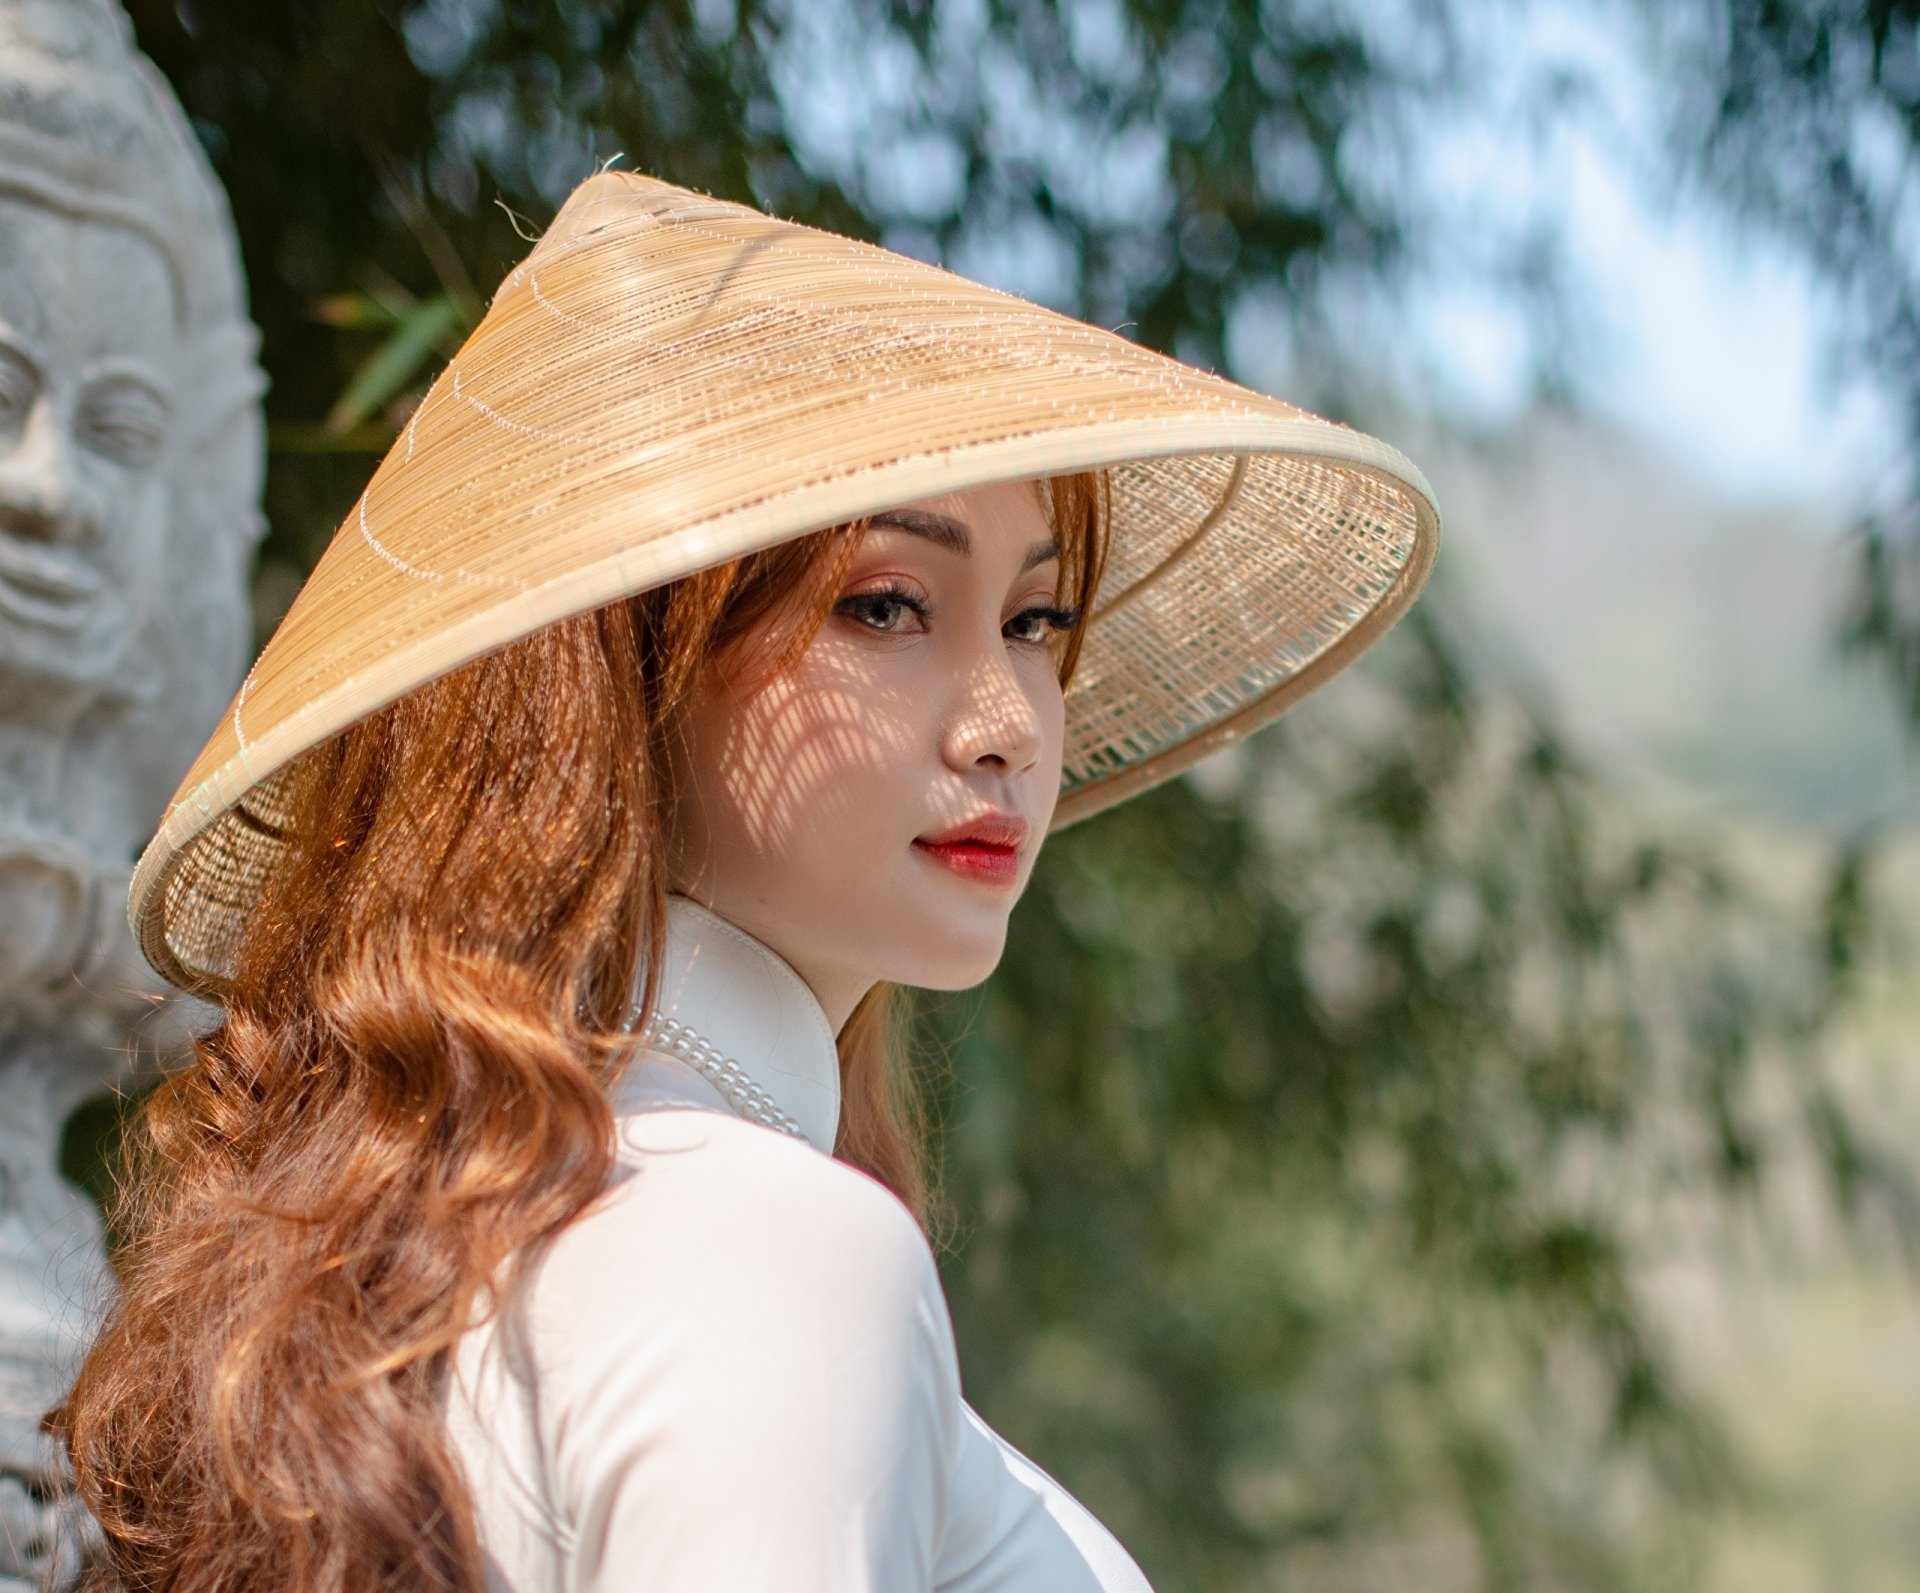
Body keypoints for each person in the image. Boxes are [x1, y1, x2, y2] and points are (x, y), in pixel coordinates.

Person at [54, 169, 1439, 1591]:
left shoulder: (430, 1256)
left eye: (1035, 618)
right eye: (886, 604)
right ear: (627, 673)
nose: (1010, 718)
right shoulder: (773, 1249)